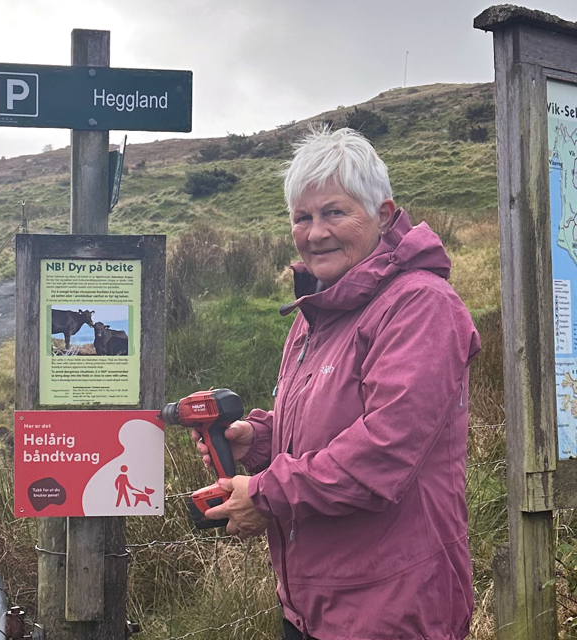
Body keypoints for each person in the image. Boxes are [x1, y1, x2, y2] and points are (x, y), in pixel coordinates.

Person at [193, 127, 481, 640]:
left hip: (392, 607)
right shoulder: (316, 312)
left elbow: (384, 452)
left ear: (384, 215)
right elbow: (332, 419)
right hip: (310, 607)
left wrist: (262, 495)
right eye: (302, 218)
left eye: (334, 213)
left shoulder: (421, 307)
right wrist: (258, 440)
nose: (315, 233)